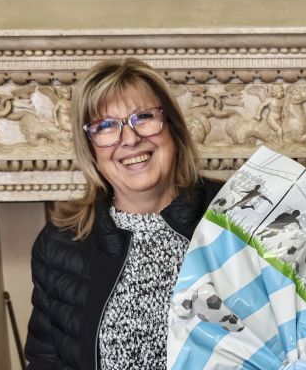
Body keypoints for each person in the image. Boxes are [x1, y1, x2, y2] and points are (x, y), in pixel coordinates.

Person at [24, 58, 221, 369]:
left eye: (143, 117)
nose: (130, 139)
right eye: (105, 126)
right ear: (90, 148)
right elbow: (46, 362)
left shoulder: (234, 212)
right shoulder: (60, 243)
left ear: (171, 125)